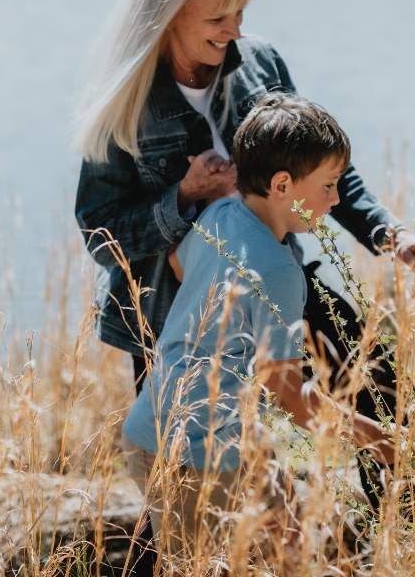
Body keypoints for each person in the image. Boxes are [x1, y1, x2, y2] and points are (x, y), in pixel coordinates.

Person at [73, 0, 415, 515]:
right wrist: (182, 196)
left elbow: (321, 166)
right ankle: (181, 553)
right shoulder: (129, 101)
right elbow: (100, 231)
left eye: (241, 13)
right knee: (184, 477)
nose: (236, 31)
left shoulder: (260, 65)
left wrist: (387, 233)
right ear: (168, 13)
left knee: (378, 385)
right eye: (218, 18)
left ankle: (405, 527)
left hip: (278, 274)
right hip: (172, 315)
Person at [120, 93, 396, 566]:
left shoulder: (220, 215)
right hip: (191, 453)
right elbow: (287, 393)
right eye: (329, 186)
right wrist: (375, 437)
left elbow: (179, 264)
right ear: (283, 184)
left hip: (171, 423)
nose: (336, 199)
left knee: (290, 538)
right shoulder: (280, 271)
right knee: (202, 565)